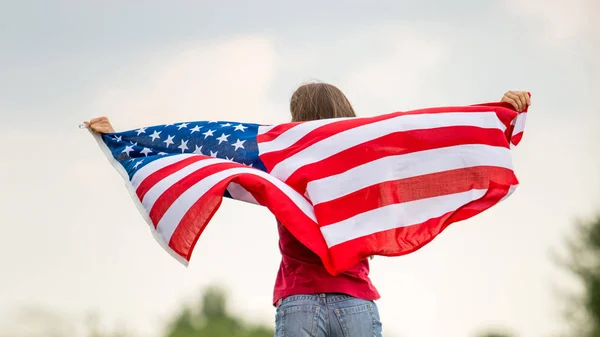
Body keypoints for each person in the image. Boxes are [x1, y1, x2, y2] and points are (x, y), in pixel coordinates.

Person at [86, 84, 531, 337]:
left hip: (299, 305)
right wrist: (499, 114)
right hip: (356, 304)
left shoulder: (280, 156)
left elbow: (207, 150)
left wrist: (123, 139)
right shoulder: (365, 161)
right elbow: (424, 140)